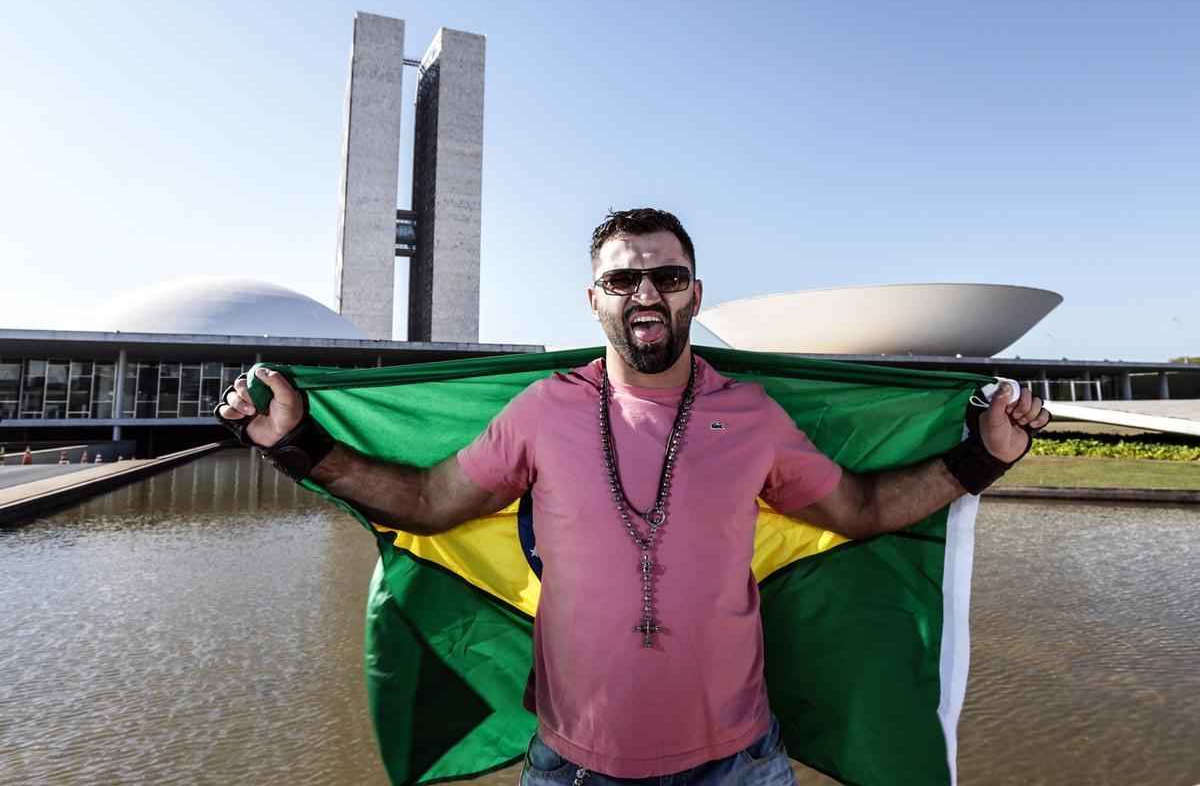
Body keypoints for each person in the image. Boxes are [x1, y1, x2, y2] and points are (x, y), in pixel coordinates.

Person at [217, 208, 1049, 785]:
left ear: (693, 292)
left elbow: (860, 512)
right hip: (575, 764)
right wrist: (298, 443)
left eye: (666, 275)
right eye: (622, 279)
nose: (644, 292)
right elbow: (434, 501)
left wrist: (979, 461)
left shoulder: (753, 417)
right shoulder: (542, 410)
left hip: (739, 763)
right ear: (593, 298)